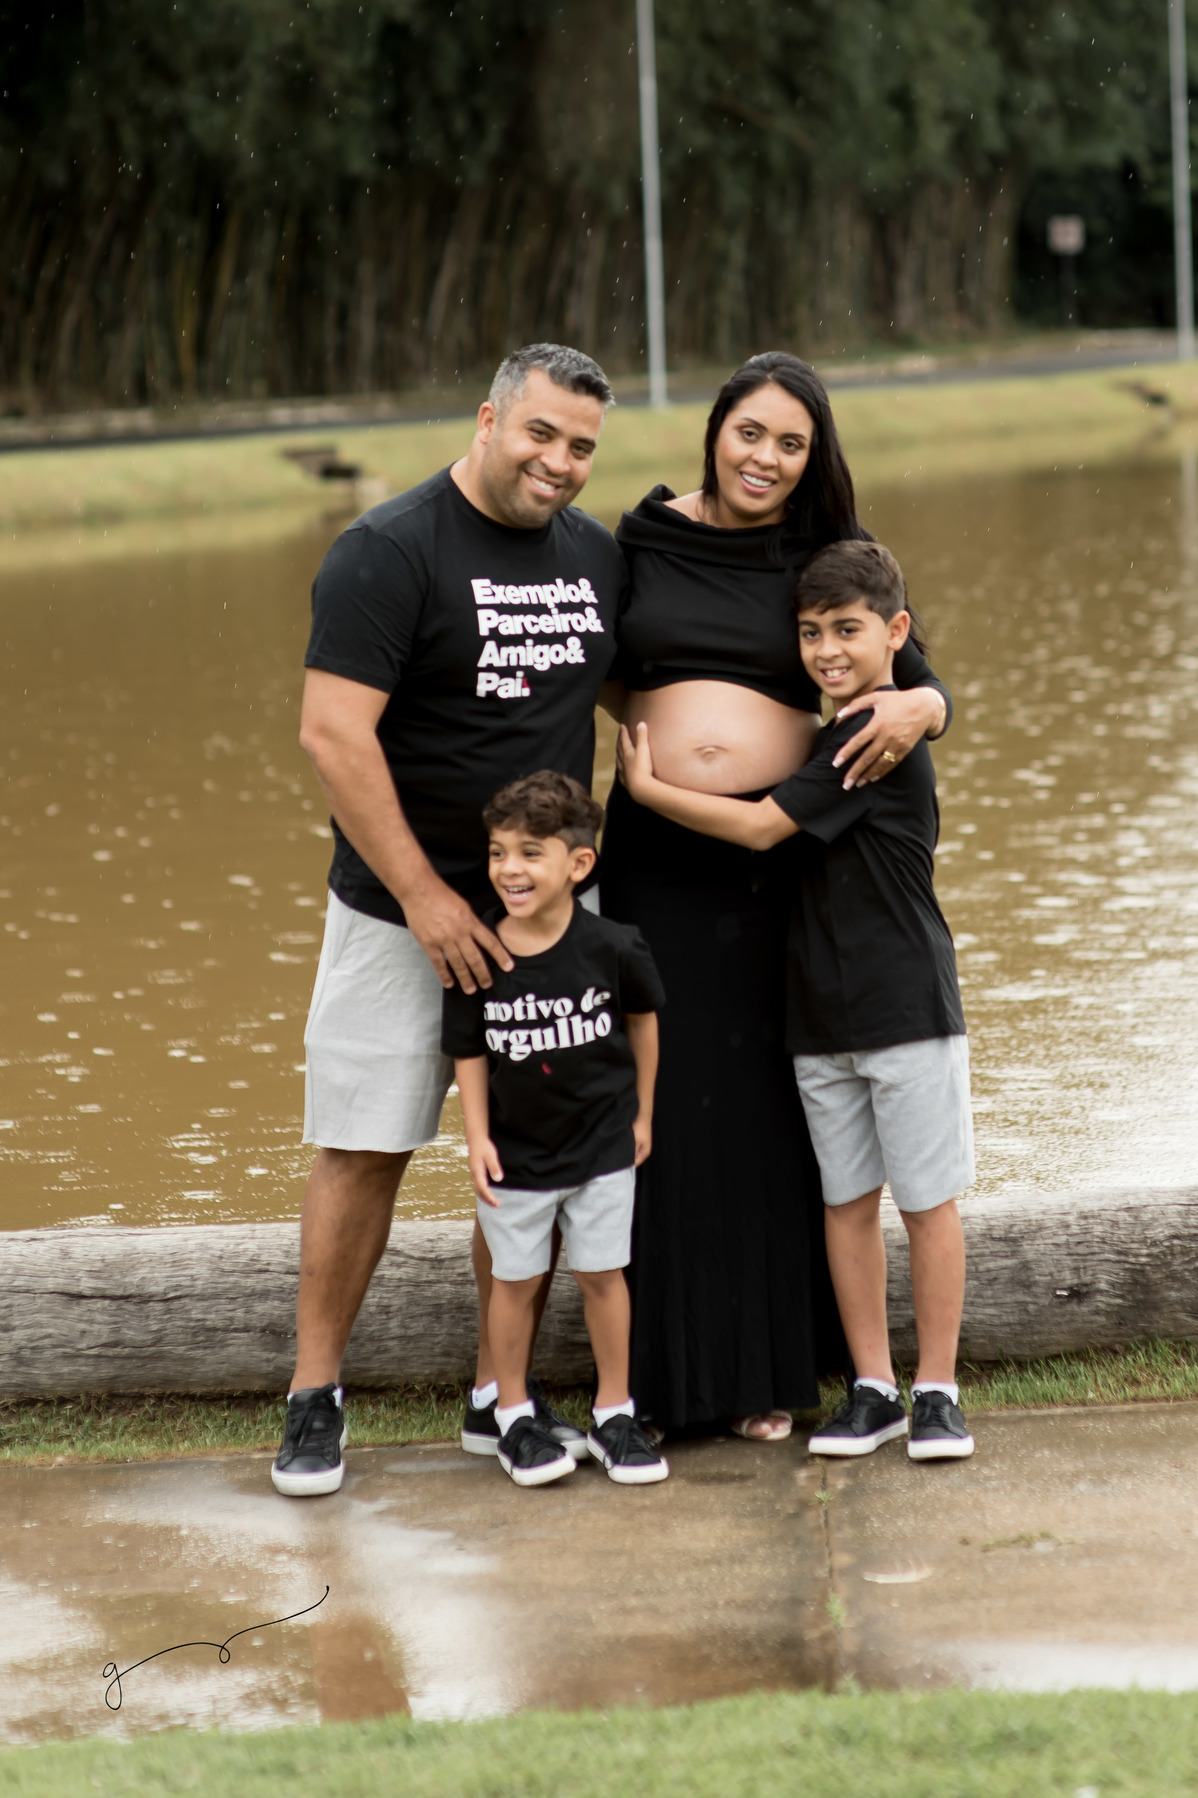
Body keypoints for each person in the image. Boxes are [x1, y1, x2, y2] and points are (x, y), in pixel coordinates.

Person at [272, 344, 625, 1498]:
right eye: (541, 433)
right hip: (393, 913)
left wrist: (909, 689)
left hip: (544, 926)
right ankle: (314, 1393)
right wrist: (426, 896)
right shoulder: (389, 550)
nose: (559, 462)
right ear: (488, 418)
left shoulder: (593, 556)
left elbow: (648, 683)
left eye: (582, 446)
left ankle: (498, 1393)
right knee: (363, 1146)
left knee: (529, 1156)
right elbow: (333, 734)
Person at [599, 352, 952, 1440]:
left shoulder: (819, 551)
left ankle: (768, 1371)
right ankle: (662, 1381)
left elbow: (907, 671)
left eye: (792, 443)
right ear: (715, 429)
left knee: (762, 1113)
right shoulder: (642, 538)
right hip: (653, 862)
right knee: (663, 1107)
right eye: (750, 432)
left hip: (773, 865)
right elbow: (589, 664)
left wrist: (930, 706)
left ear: (814, 458)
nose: (766, 457)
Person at [442, 770, 668, 1487]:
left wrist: (643, 1112)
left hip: (602, 1148)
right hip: (517, 1158)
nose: (509, 868)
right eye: (498, 851)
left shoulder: (615, 946)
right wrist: (477, 1137)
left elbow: (644, 1022)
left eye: (530, 852)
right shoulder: (478, 955)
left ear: (579, 863)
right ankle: (512, 1416)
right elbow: (468, 1050)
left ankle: (614, 1414)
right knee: (515, 1282)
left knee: (603, 1275)